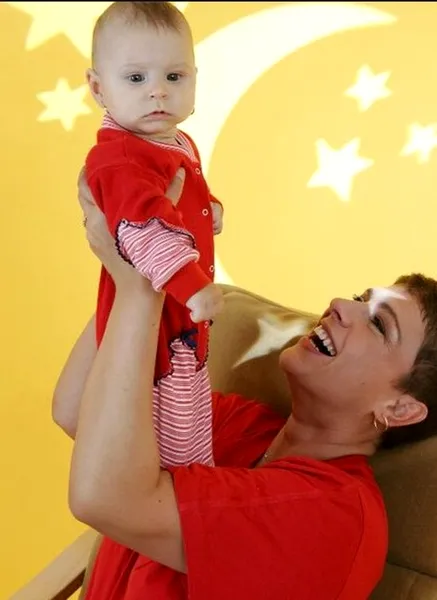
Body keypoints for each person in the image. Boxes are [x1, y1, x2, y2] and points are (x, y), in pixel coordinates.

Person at [53, 170, 437, 600]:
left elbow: (102, 496)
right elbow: (77, 412)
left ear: (400, 408)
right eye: (361, 298)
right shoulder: (240, 420)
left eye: (379, 324)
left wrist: (140, 286)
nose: (341, 305)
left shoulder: (337, 516)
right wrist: (139, 246)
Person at [83, 1, 224, 468]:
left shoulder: (172, 141)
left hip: (179, 317)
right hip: (159, 323)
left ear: (195, 79)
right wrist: (192, 286)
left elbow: (181, 193)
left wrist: (209, 208)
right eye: (136, 78)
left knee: (194, 416)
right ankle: (168, 489)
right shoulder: (120, 158)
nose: (158, 92)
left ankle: (190, 480)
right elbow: (143, 227)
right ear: (99, 88)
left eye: (174, 77)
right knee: (171, 436)